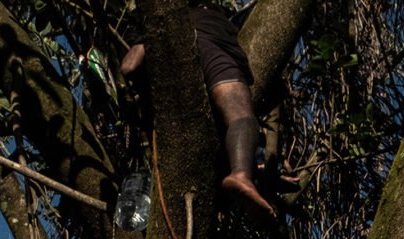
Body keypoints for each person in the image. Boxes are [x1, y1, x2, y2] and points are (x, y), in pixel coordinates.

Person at [120, 5, 283, 220]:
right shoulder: (212, 20)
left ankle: (249, 170)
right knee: (241, 114)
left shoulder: (159, 30)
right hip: (212, 49)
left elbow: (129, 67)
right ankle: (241, 175)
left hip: (174, 104)